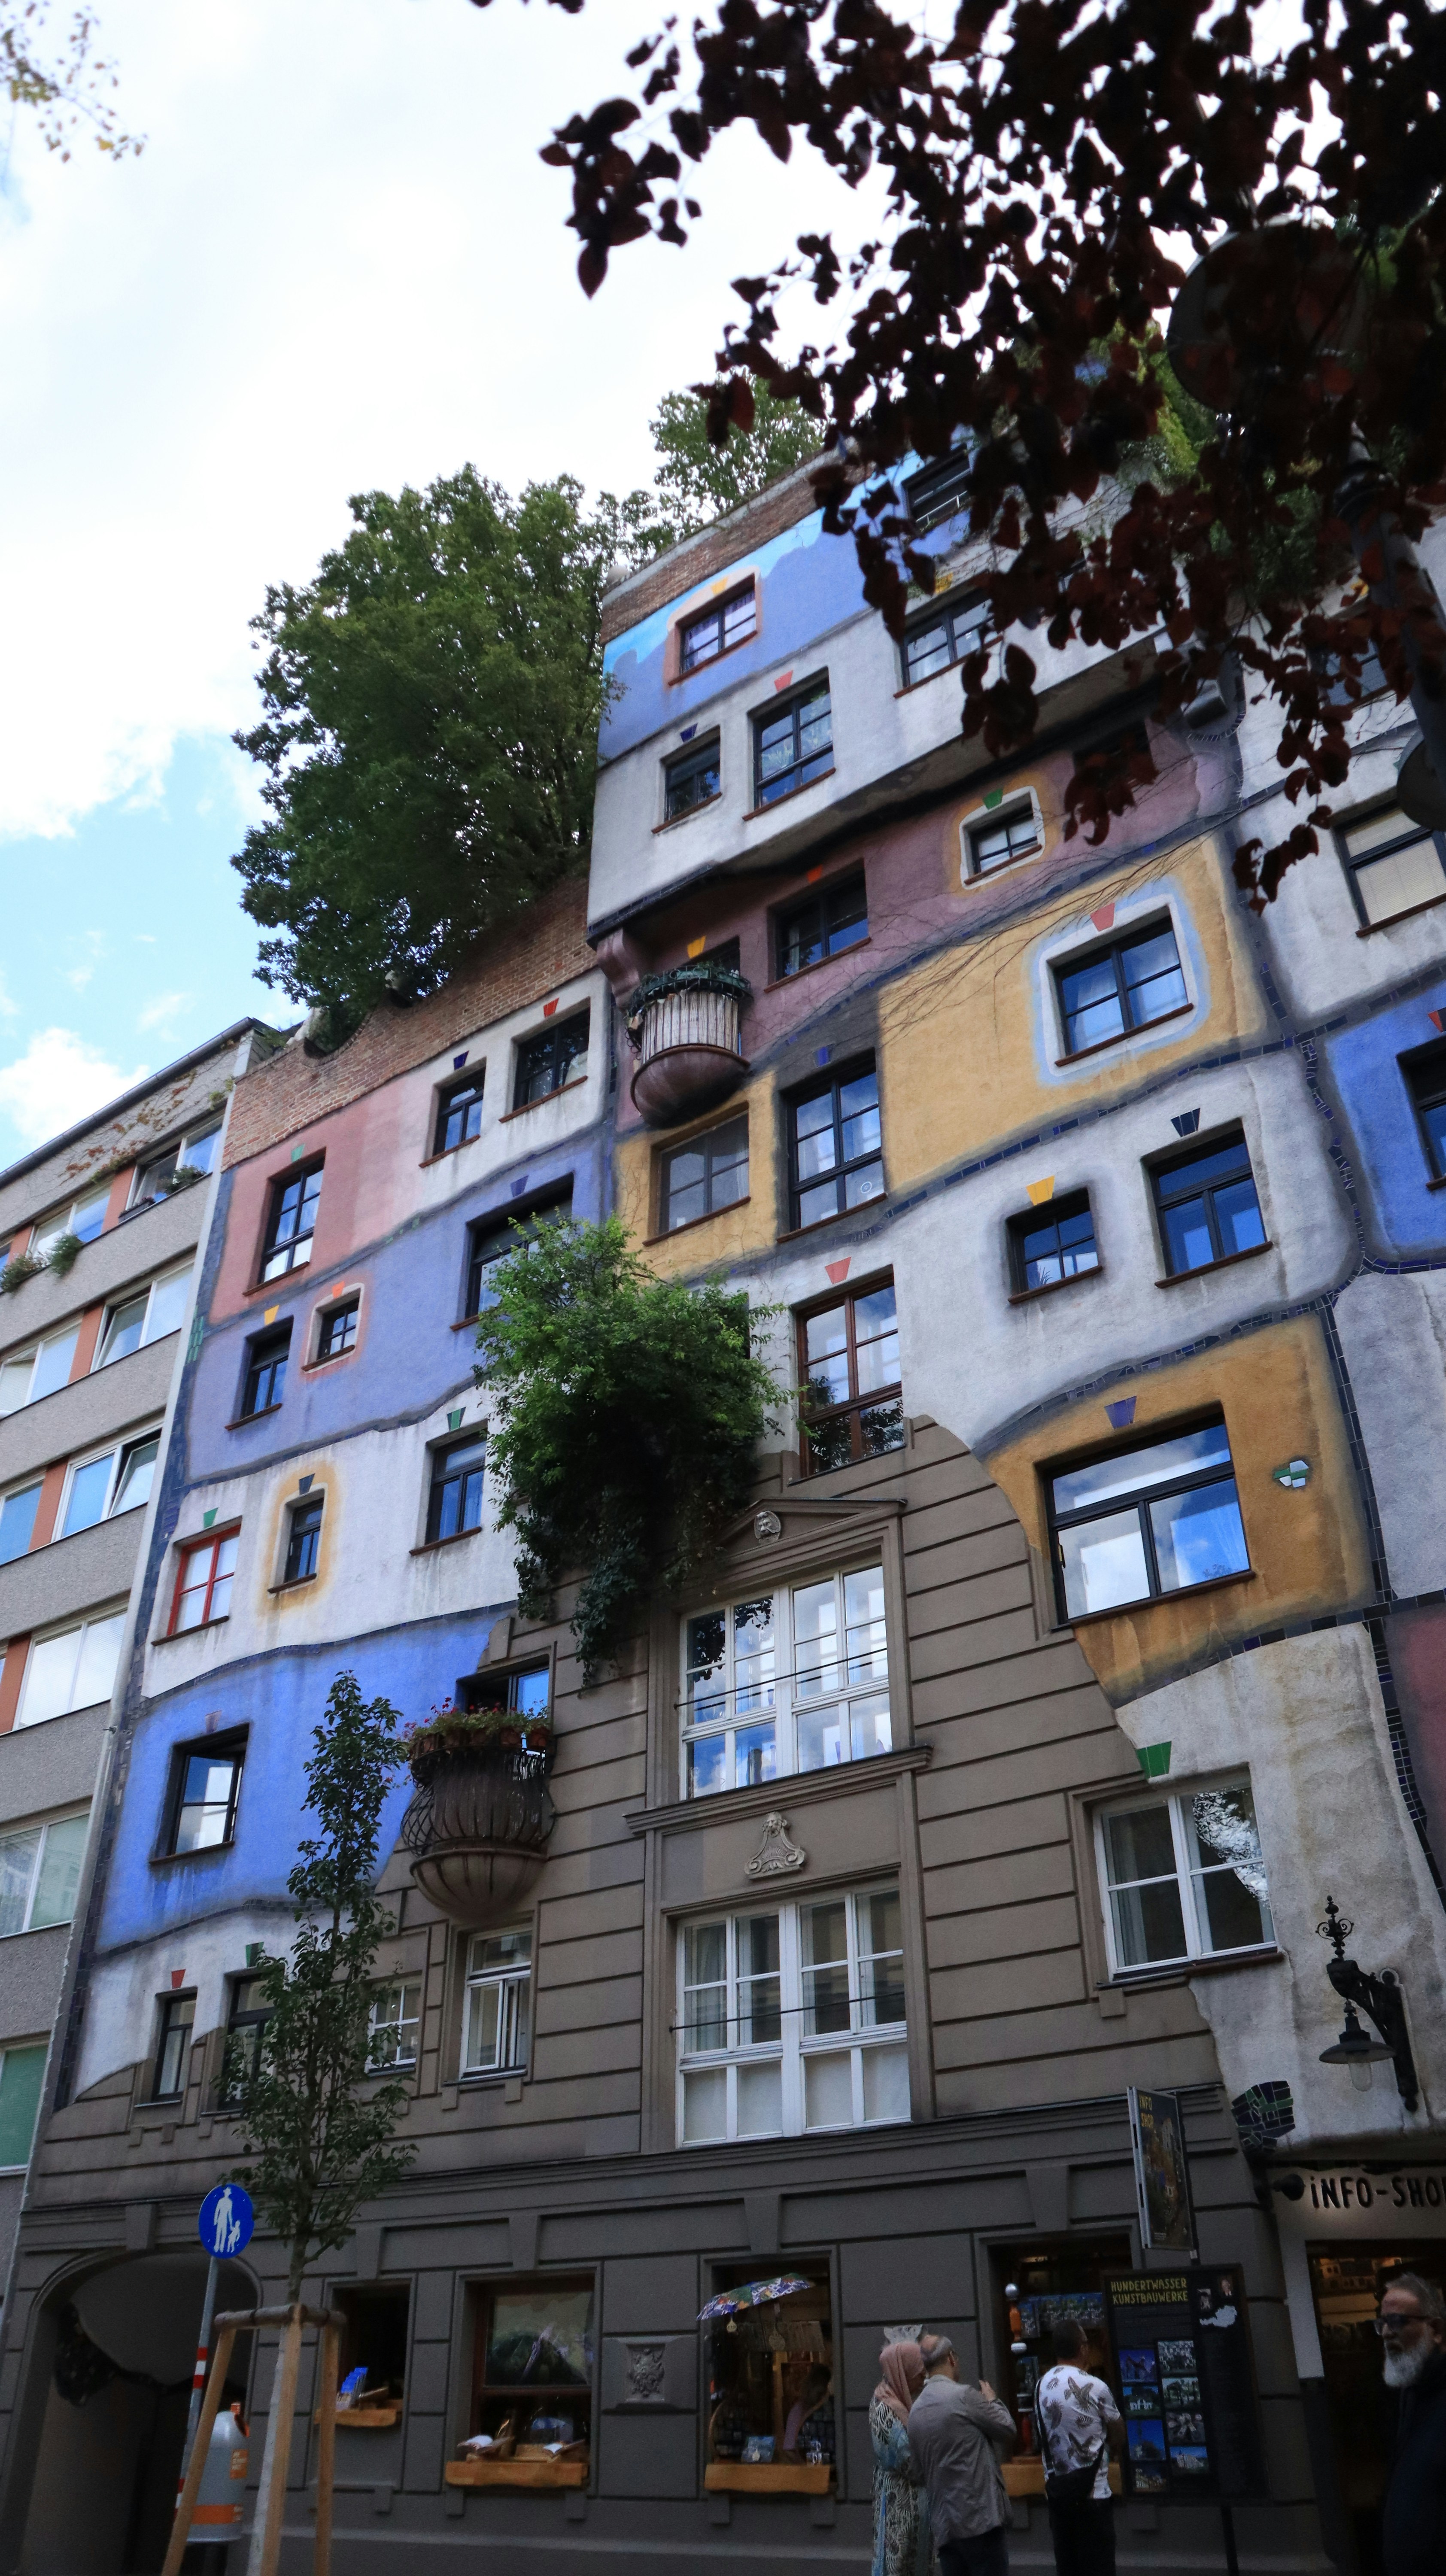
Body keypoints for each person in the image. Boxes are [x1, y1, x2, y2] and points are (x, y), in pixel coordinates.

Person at [907, 2331, 1016, 2576]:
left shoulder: (915, 2412)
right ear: (951, 2359)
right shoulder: (965, 2397)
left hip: (946, 2529)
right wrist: (992, 2400)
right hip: (981, 2524)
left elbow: (916, 2472)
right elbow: (1008, 2430)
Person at [1034, 2320, 1124, 2576]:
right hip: (1093, 2498)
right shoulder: (1096, 2386)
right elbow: (1119, 2432)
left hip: (1059, 2498)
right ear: (1083, 2348)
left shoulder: (1040, 2387)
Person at [1379, 2272, 1446, 2576]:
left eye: (1397, 2322)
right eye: (1381, 2324)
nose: (1386, 2334)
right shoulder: (1412, 2395)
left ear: (1437, 2330)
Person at [870, 2338, 931, 2576]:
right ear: (903, 2374)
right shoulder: (886, 2410)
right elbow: (911, 2464)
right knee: (899, 2566)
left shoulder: (896, 2402)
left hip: (908, 2505)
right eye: (917, 2375)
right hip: (900, 2507)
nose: (921, 2381)